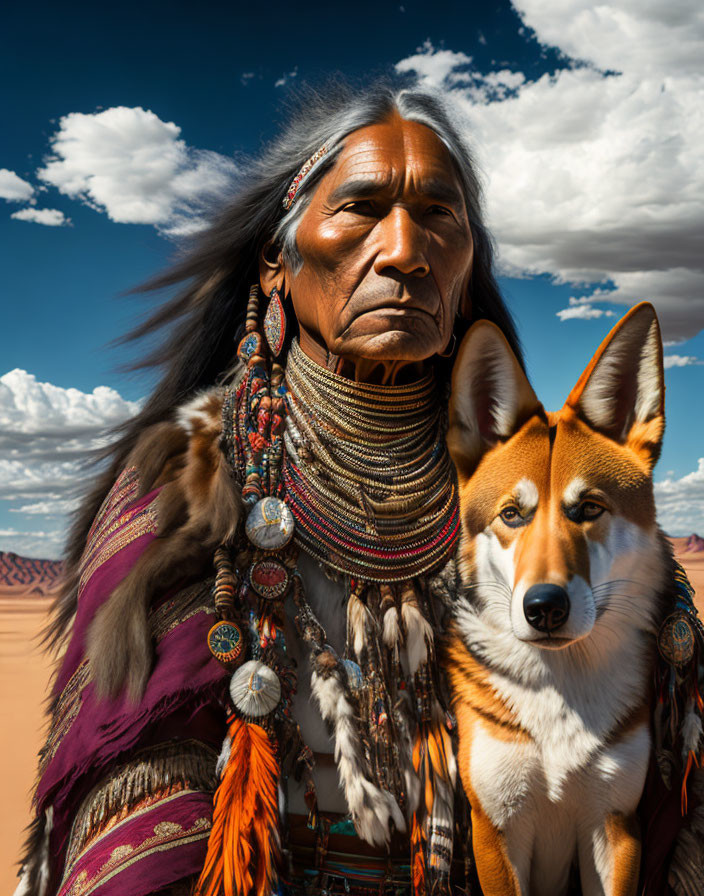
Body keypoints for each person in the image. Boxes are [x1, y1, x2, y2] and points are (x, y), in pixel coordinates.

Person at [15, 80, 702, 896]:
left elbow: (653, 771)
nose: (404, 248)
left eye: (440, 215)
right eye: (362, 208)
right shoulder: (193, 474)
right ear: (280, 256)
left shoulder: (527, 484)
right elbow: (139, 789)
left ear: (467, 265)